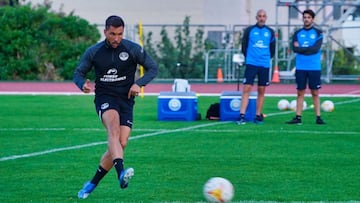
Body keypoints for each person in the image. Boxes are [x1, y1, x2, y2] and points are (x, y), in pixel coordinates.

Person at [73, 15, 158, 199]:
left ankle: (92, 183)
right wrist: (83, 85)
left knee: (121, 143)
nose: (116, 38)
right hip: (105, 97)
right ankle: (121, 172)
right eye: (112, 34)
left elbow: (153, 68)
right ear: (105, 32)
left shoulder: (132, 49)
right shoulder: (94, 52)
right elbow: (78, 73)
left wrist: (139, 83)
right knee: (113, 130)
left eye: (120, 34)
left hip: (126, 100)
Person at [286, 9, 325, 125]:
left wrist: (302, 49)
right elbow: (295, 49)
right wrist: (305, 49)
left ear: (312, 19)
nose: (306, 19)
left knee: (315, 92)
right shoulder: (297, 33)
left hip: (314, 67)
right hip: (301, 67)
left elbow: (315, 49)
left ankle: (318, 117)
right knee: (300, 92)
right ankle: (298, 117)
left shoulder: (318, 33)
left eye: (308, 17)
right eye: (304, 17)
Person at [236, 9, 275, 125]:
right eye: (259, 16)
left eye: (263, 16)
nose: (261, 18)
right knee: (247, 88)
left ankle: (258, 115)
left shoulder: (270, 32)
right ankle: (242, 115)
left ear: (266, 18)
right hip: (252, 63)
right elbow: (244, 46)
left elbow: (272, 49)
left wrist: (266, 58)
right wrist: (249, 58)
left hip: (264, 64)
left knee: (261, 90)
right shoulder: (249, 30)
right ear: (256, 18)